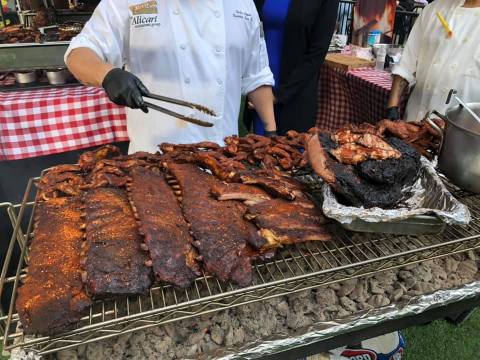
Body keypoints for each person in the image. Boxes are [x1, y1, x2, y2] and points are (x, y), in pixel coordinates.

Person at [65, 0, 277, 153]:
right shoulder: (126, 3)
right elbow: (80, 52)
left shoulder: (242, 5)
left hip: (223, 158)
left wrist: (271, 132)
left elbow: (256, 75)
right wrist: (107, 75)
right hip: (153, 161)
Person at [247, 0, 339, 135]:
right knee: (259, 150)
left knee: (292, 152)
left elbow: (317, 53)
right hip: (260, 89)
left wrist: (278, 95)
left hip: (296, 94)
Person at [387, 0, 480, 122]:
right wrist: (392, 107)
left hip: (462, 132)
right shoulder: (434, 9)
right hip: (414, 121)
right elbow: (406, 65)